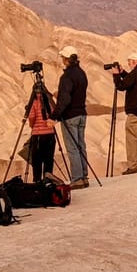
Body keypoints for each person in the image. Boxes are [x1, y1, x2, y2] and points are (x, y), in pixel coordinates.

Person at [51, 45, 89, 190]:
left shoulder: (67, 76)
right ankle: (84, 176)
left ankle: (77, 178)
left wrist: (54, 116)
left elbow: (65, 99)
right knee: (81, 145)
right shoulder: (81, 73)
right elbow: (75, 94)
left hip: (70, 116)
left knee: (72, 148)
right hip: (82, 114)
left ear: (66, 59)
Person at [26, 90, 56, 182]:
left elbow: (31, 119)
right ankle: (48, 181)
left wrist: (32, 125)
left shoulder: (34, 102)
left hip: (38, 136)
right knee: (49, 159)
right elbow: (55, 113)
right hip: (50, 134)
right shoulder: (50, 101)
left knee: (37, 161)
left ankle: (37, 182)